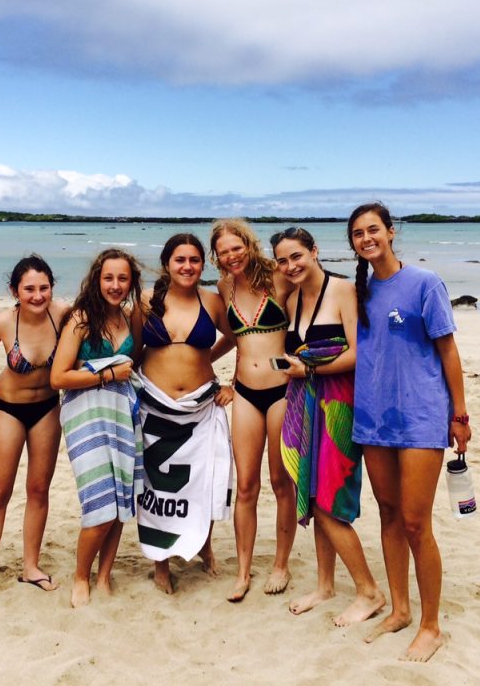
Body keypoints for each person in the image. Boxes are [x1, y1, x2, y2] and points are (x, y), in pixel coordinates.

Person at [347, 203, 472, 662]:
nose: (366, 239)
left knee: (418, 523)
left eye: (373, 230)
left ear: (391, 232)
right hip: (373, 420)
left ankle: (431, 624)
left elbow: (448, 350)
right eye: (358, 234)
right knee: (388, 514)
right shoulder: (355, 293)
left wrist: (459, 415)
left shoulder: (425, 283)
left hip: (420, 418)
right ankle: (399, 609)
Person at [270, 227, 385, 625]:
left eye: (297, 256)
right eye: (283, 260)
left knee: (330, 502)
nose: (291, 266)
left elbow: (359, 353)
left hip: (339, 406)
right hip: (306, 405)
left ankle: (369, 591)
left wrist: (310, 367)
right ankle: (324, 585)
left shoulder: (342, 291)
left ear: (314, 251)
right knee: (315, 491)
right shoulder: (293, 296)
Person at [0, 255, 70, 615]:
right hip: (7, 408)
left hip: (47, 409)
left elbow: (103, 319)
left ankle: (31, 566)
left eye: (43, 287)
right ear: (15, 291)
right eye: (29, 289)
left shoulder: (64, 314)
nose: (37, 295)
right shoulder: (4, 323)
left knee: (39, 489)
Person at [136, 233, 234, 594]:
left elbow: (244, 337)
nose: (188, 266)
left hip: (202, 405)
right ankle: (160, 563)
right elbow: (130, 347)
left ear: (202, 265)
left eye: (194, 260)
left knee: (204, 482)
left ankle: (204, 546)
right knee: (155, 486)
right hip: (155, 405)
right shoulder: (147, 301)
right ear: (167, 264)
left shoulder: (212, 302)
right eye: (180, 260)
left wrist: (231, 383)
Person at [50, 248, 145, 608]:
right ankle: (80, 577)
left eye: (123, 279)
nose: (116, 285)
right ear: (97, 279)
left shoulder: (130, 319)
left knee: (121, 496)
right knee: (98, 499)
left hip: (122, 413)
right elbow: (58, 377)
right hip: (85, 415)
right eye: (109, 278)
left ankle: (104, 575)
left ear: (131, 282)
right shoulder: (81, 319)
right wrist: (106, 373)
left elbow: (136, 364)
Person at [209, 219, 296, 601]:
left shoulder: (280, 277)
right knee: (245, 485)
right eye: (223, 251)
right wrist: (206, 370)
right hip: (244, 391)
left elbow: (312, 314)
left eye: (236, 247)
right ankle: (243, 571)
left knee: (281, 483)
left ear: (248, 244)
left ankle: (280, 564)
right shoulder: (224, 287)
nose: (231, 256)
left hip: (281, 391)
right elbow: (232, 338)